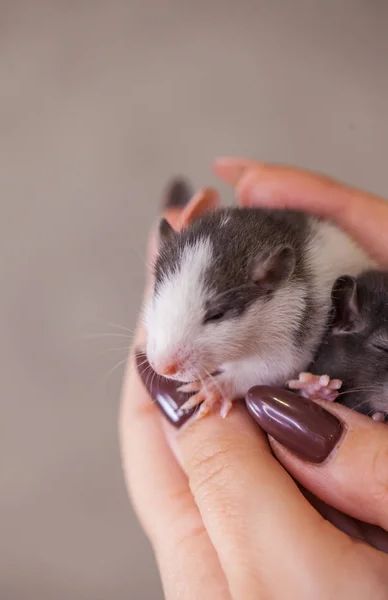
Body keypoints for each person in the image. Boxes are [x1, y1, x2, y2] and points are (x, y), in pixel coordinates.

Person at [120, 159, 388, 599]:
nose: (163, 363)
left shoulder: (287, 297)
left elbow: (283, 360)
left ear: (271, 281)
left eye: (216, 317)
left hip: (332, 363)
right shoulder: (231, 273)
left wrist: (228, 383)